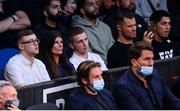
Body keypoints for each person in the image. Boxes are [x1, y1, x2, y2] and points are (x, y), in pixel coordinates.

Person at [112, 41, 180, 109]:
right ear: (134, 62)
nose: (151, 63)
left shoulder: (155, 74)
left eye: (152, 59)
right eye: (147, 59)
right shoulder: (123, 87)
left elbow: (172, 101)